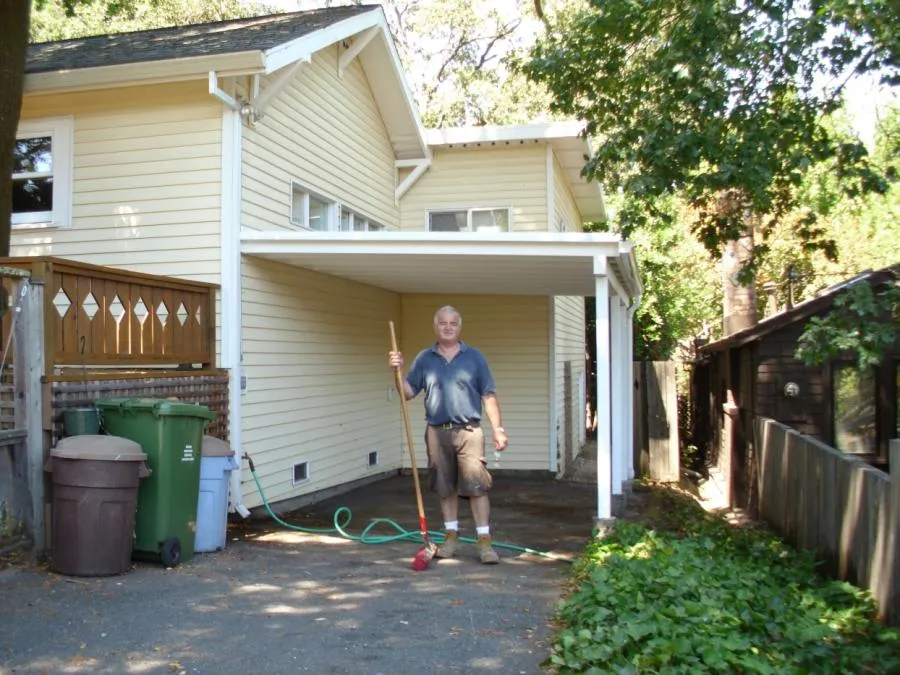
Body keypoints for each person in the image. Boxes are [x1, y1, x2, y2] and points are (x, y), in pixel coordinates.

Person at [388, 305, 508, 564]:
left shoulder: (475, 358)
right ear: (435, 327)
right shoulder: (424, 359)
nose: (448, 326)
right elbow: (408, 393)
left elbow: (488, 395)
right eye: (442, 322)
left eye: (453, 322)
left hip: (469, 431)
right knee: (445, 488)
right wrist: (396, 371)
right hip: (437, 432)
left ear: (459, 326)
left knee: (477, 487)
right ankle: (451, 538)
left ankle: (485, 543)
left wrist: (498, 429)